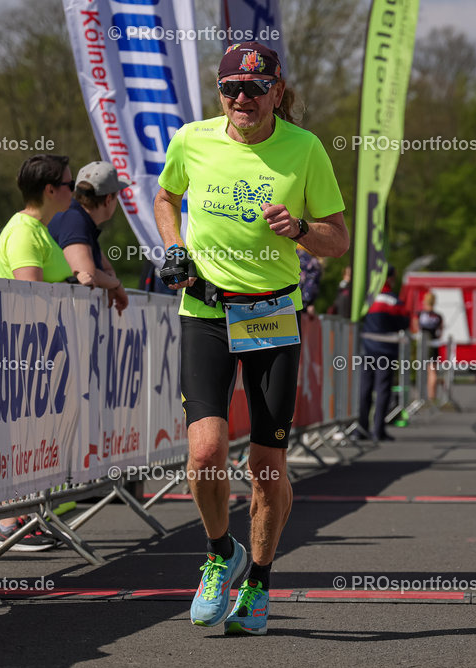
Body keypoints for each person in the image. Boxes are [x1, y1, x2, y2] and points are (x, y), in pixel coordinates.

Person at [153, 42, 348, 635]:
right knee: (206, 452)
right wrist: (173, 247)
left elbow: (338, 240)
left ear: (278, 93)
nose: (243, 99)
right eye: (232, 89)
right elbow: (166, 196)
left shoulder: (305, 148)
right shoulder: (191, 139)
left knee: (267, 465)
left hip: (272, 317)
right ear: (220, 94)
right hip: (206, 312)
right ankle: (220, 553)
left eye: (255, 89)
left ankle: (259, 581)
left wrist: (303, 228)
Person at [0, 153, 77, 551]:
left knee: (35, 440)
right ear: (50, 190)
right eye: (70, 185)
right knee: (21, 438)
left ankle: (23, 517)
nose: (73, 192)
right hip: (26, 354)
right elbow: (32, 298)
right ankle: (8, 524)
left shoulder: (40, 229)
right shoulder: (24, 230)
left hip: (42, 355)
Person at [48, 160, 130, 313]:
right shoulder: (74, 220)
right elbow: (88, 274)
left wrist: (110, 281)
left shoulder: (80, 219)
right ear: (107, 200)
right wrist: (116, 284)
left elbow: (106, 269)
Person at [355, 267, 411, 440]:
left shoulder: (367, 298)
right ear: (391, 278)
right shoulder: (393, 300)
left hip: (367, 348)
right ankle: (378, 431)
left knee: (365, 388)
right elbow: (404, 322)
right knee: (383, 389)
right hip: (386, 350)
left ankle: (361, 429)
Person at [416, 291, 444, 401]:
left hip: (422, 345)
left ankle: (425, 397)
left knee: (425, 372)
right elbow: (440, 332)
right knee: (432, 371)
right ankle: (432, 396)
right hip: (433, 345)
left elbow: (415, 328)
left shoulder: (419, 315)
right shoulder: (438, 316)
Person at [297, 246, 322, 315]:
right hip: (300, 303)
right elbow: (311, 284)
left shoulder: (293, 255)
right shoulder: (312, 262)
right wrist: (309, 303)